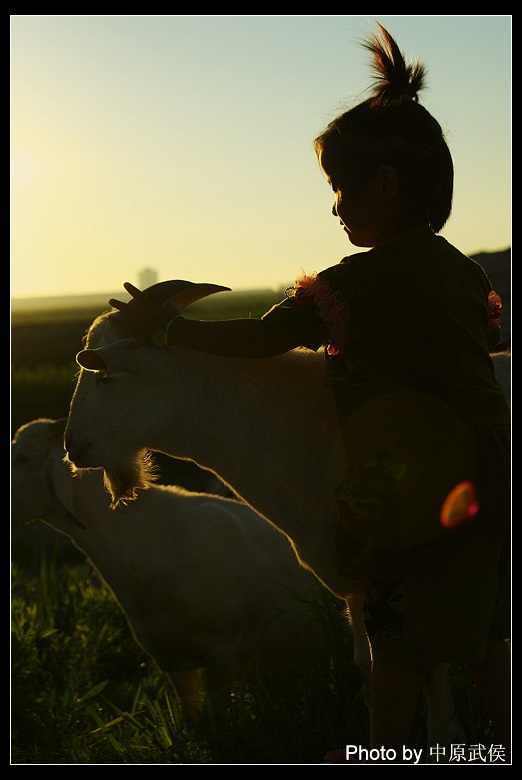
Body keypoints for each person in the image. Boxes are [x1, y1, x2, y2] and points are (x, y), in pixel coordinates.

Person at [108, 23, 511, 763]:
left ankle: (381, 755)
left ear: (384, 185)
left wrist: (171, 332)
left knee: (392, 640)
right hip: (487, 477)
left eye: (339, 189)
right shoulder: (465, 275)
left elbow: (265, 337)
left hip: (410, 489)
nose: (334, 209)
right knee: (483, 632)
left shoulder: (355, 285)